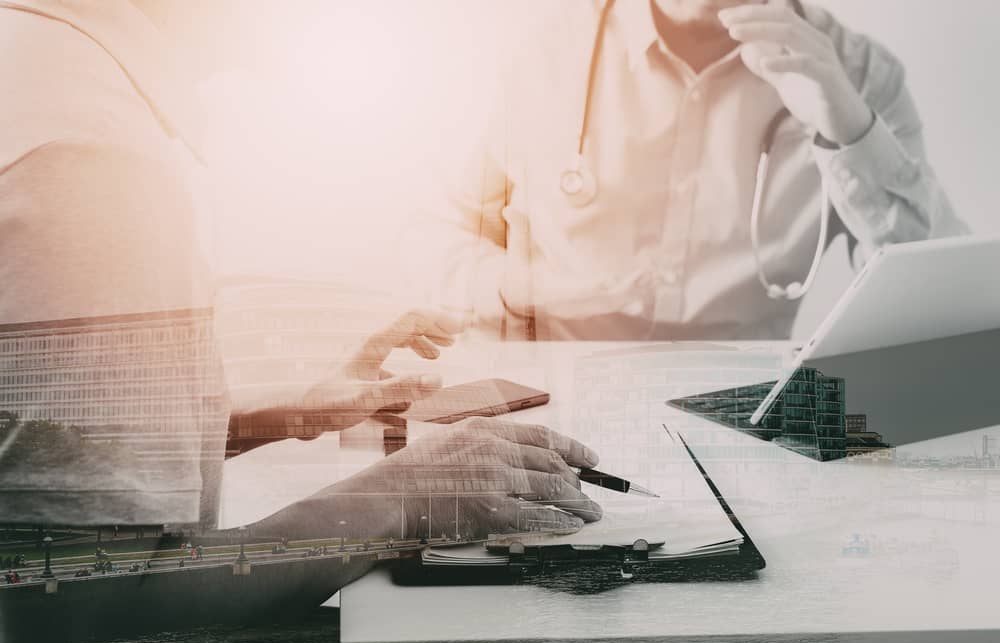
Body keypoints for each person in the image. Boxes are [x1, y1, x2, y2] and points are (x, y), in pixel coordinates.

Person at [0, 1, 600, 545]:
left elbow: (50, 463)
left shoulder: (43, 68)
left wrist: (279, 415)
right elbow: (86, 624)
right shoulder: (93, 164)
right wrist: (405, 496)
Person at [427, 0, 968, 341]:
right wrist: (515, 289)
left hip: (745, 411)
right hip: (560, 395)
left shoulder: (861, 77)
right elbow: (441, 239)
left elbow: (948, 298)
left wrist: (850, 129)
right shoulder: (550, 53)